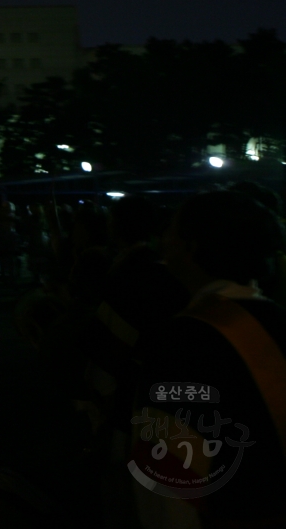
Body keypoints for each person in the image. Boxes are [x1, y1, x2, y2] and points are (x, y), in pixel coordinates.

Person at [130, 191, 286, 527]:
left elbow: (170, 477)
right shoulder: (278, 319)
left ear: (191, 247)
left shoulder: (183, 341)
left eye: (169, 229)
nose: (161, 240)